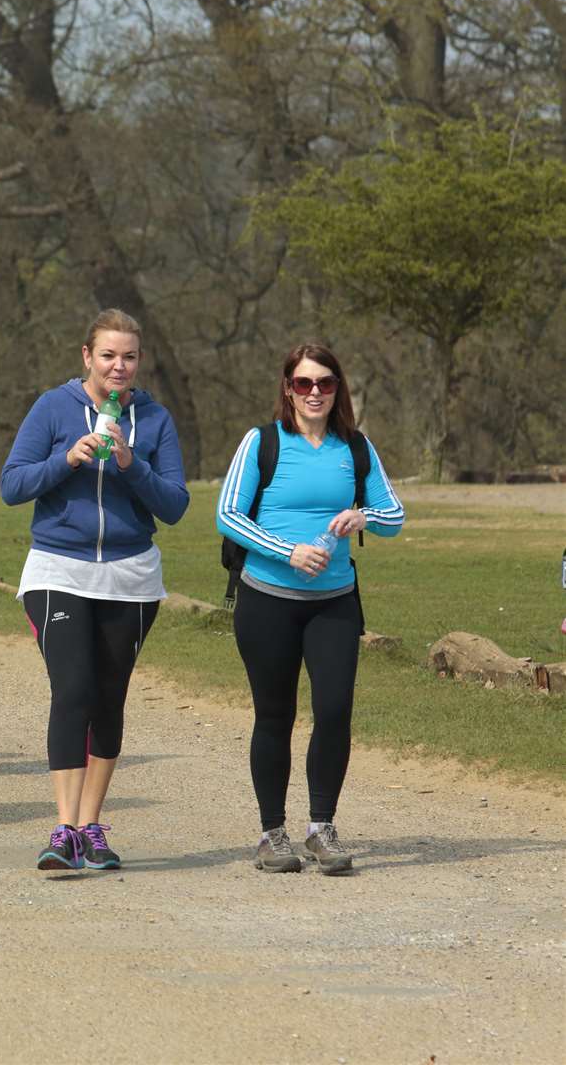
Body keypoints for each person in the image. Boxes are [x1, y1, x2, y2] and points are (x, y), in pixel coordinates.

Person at [0, 309, 190, 872]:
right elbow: (11, 485)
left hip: (131, 576)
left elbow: (175, 505)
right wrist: (67, 458)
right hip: (59, 569)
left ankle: (91, 827)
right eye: (108, 355)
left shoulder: (154, 419)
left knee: (108, 699)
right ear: (87, 356)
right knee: (74, 689)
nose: (118, 366)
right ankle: (62, 829)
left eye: (129, 357)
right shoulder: (53, 407)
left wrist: (131, 464)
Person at [216, 342, 403, 875]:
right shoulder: (262, 442)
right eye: (304, 383)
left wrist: (363, 516)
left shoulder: (356, 447)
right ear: (287, 389)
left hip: (335, 603)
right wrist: (288, 550)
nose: (314, 392)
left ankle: (322, 829)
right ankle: (271, 834)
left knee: (336, 710)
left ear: (337, 388)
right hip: (267, 601)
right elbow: (228, 515)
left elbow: (395, 514)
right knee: (275, 714)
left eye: (324, 383)